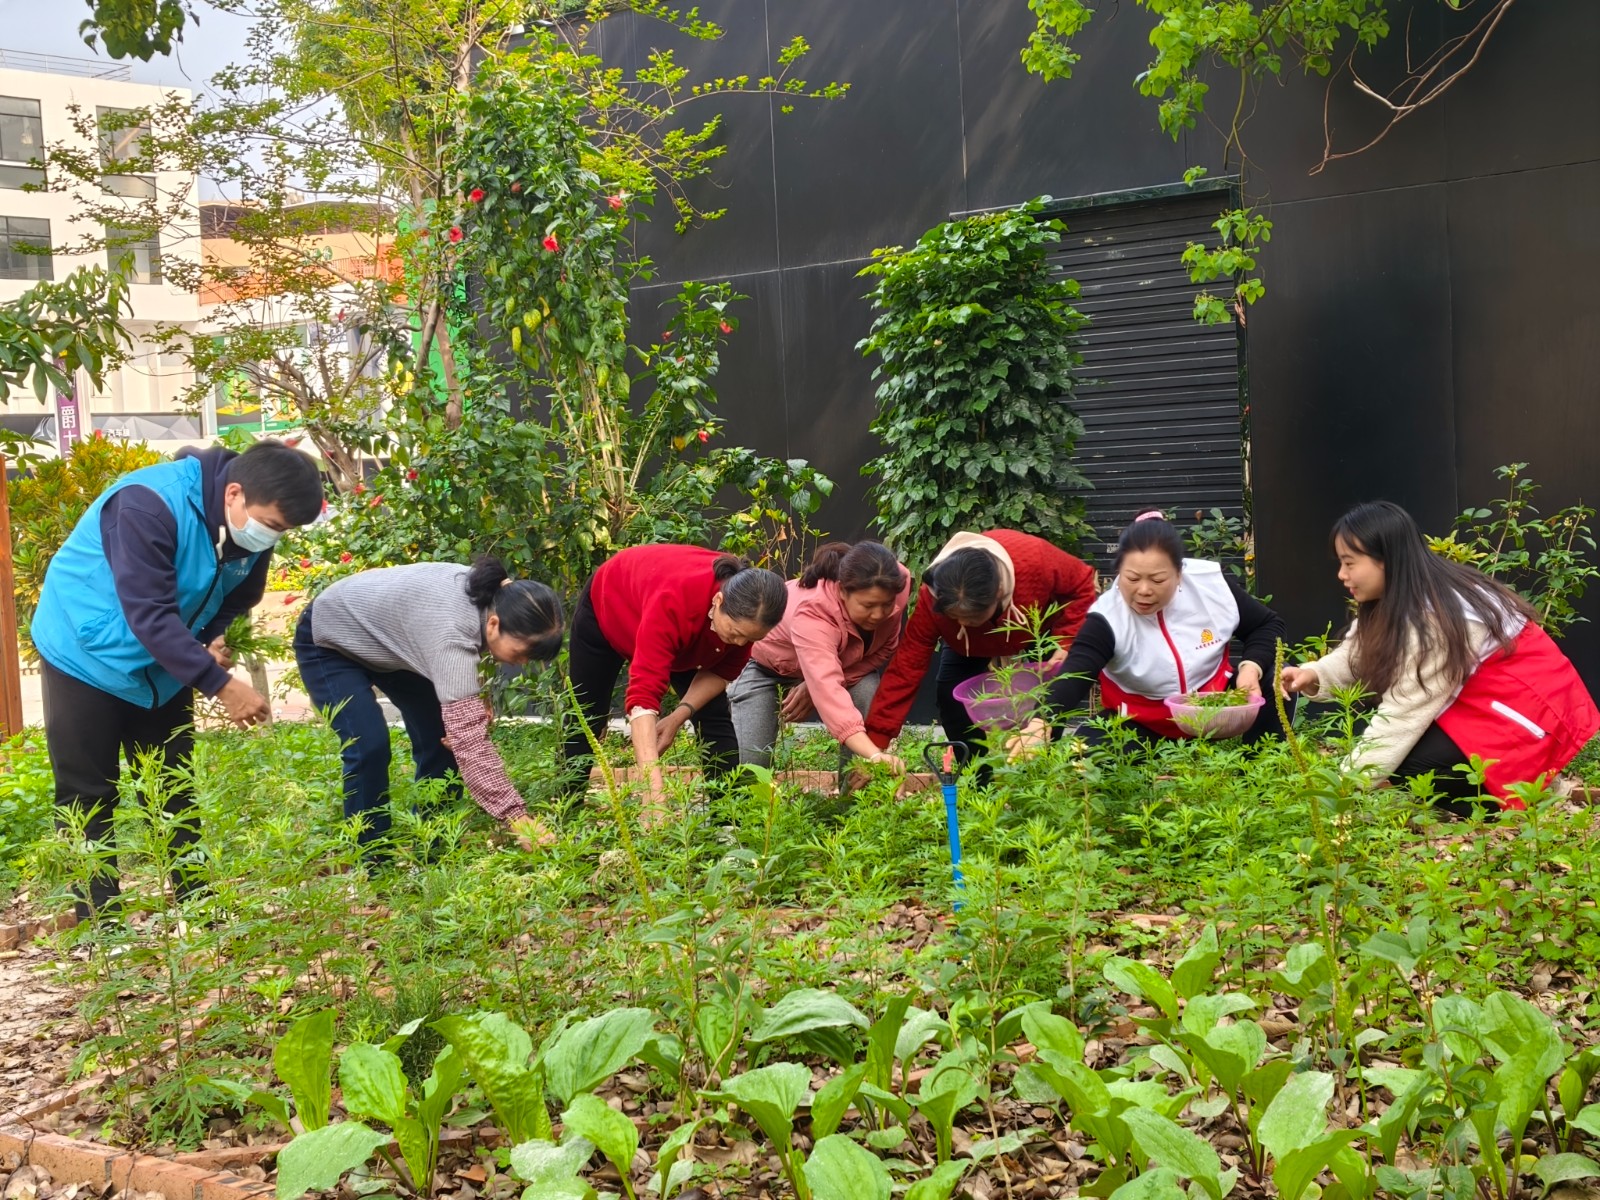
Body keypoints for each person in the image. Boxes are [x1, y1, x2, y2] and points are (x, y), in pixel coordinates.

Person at [33, 440, 324, 918]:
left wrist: (207, 638)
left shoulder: (250, 528)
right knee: (88, 792)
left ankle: (199, 906)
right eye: (272, 525)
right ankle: (101, 924)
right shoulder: (147, 505)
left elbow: (240, 596)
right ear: (233, 494)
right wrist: (221, 684)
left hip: (165, 658)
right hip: (83, 652)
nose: (272, 538)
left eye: (283, 531)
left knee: (172, 784)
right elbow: (149, 615)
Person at [1281, 500, 1599, 810]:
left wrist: (1338, 792)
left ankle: (1531, 788)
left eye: (1350, 563)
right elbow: (1359, 648)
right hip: (1503, 708)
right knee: (1407, 753)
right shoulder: (1410, 591)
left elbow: (1403, 715)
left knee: (1409, 760)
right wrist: (1315, 673)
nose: (1341, 574)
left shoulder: (1434, 619)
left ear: (1386, 560)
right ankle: (1536, 783)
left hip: (1533, 718)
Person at [293, 558, 564, 853]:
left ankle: (432, 845)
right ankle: (371, 859)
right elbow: (470, 744)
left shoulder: (494, 598)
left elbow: (475, 662)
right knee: (368, 744)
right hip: (330, 638)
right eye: (522, 653)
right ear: (495, 624)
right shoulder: (451, 635)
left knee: (440, 738)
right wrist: (518, 819)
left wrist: (472, 706)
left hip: (393, 646)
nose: (522, 663)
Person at [564, 545, 787, 811]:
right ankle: (567, 811)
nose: (740, 643)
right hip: (610, 610)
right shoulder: (674, 600)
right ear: (718, 601)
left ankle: (728, 823)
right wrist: (653, 792)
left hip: (686, 635)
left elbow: (718, 674)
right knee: (586, 716)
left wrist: (677, 717)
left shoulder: (747, 620)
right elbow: (643, 698)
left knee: (714, 716)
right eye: (736, 632)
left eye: (750, 638)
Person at [1049, 511, 1286, 742]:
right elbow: (1076, 673)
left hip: (1214, 711)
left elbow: (1266, 624)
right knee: (1085, 751)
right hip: (1140, 722)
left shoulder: (1210, 586)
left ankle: (1255, 769)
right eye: (1132, 578)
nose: (1143, 590)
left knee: (1279, 675)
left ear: (1179, 573)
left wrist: (1250, 668)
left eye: (1157, 580)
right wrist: (1042, 720)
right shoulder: (1108, 617)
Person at [862, 529, 1097, 757]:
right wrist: (876, 741)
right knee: (950, 699)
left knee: (1055, 692)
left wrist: (1067, 641)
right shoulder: (931, 597)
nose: (965, 621)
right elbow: (907, 666)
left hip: (1036, 628)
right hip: (966, 645)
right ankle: (976, 775)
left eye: (973, 617)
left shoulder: (1034, 558)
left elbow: (1081, 583)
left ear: (1000, 592)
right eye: (956, 616)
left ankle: (1043, 763)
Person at [728, 541, 913, 770]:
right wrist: (876, 756)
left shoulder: (897, 582)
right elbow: (828, 691)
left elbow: (884, 649)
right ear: (843, 591)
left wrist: (812, 685)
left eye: (886, 605)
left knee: (867, 690)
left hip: (839, 666)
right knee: (752, 761)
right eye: (868, 605)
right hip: (767, 668)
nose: (878, 614)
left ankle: (853, 801)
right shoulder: (813, 613)